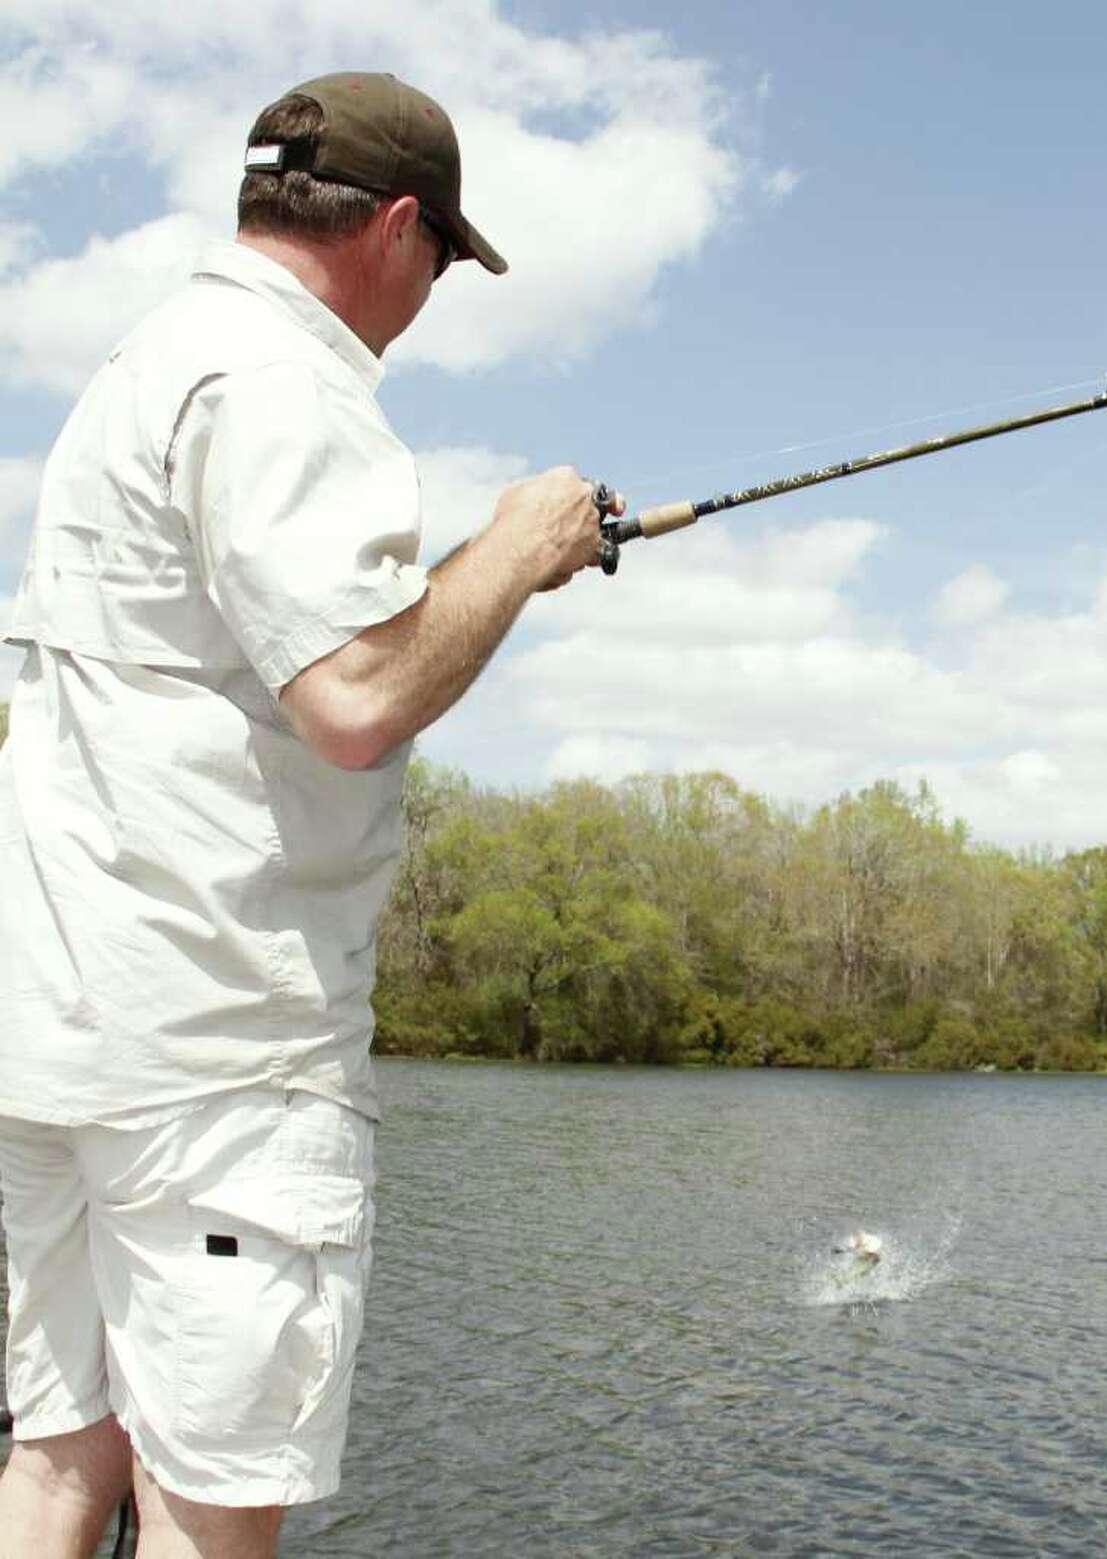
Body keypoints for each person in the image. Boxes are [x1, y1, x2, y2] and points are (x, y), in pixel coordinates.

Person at [0, 71, 615, 1558]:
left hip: (54, 1041)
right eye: (444, 262)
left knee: (58, 1462)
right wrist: (520, 550)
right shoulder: (291, 376)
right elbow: (355, 699)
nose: (431, 295)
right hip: (219, 1061)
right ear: (399, 227)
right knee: (215, 1511)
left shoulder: (148, 364)